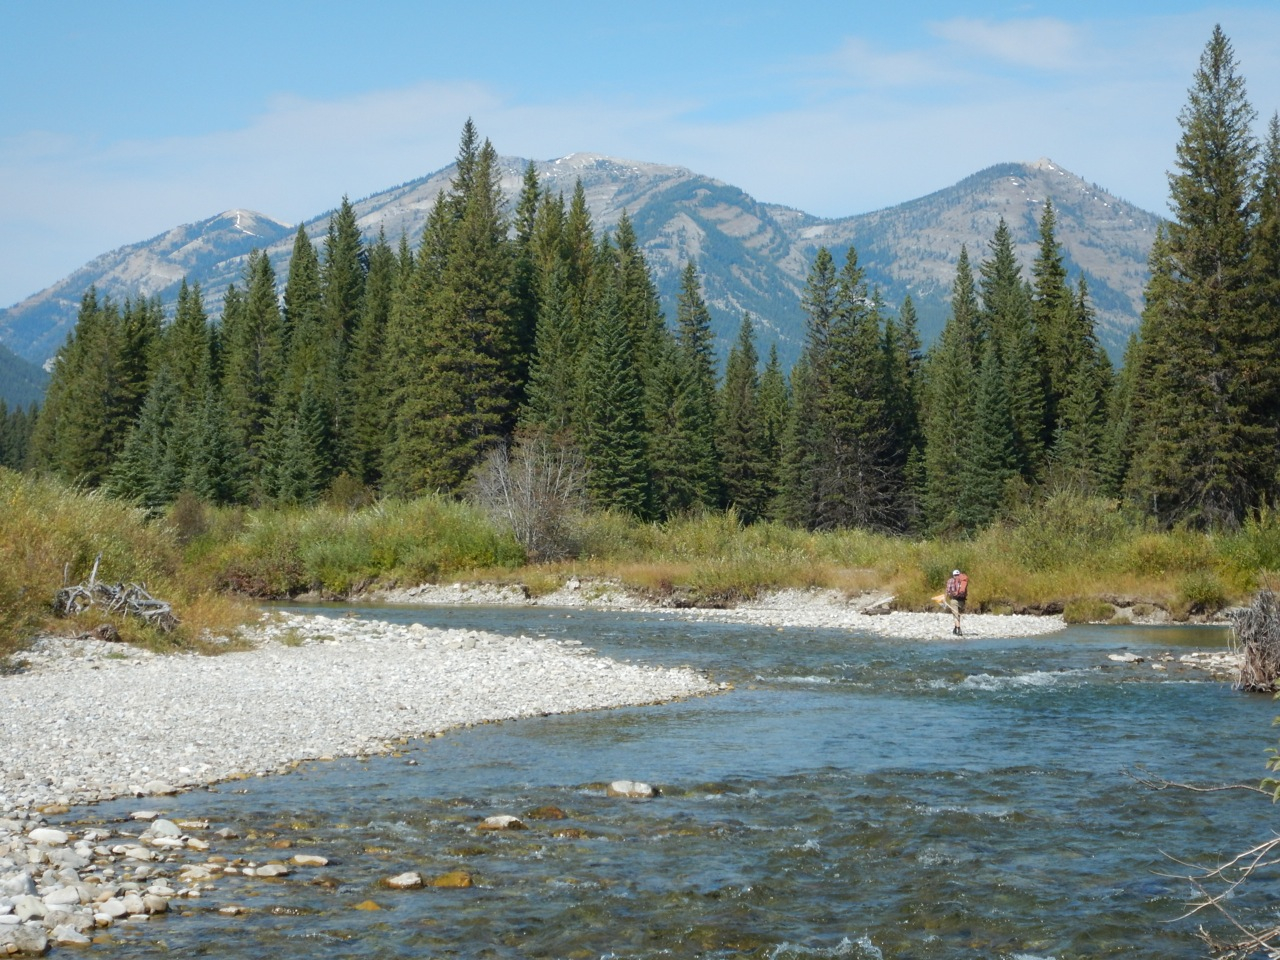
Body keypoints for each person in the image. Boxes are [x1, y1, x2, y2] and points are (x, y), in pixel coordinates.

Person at [945, 569, 968, 636]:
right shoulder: (963, 581)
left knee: (955, 615)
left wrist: (945, 598)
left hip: (954, 600)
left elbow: (947, 590)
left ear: (953, 575)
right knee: (958, 614)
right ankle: (955, 628)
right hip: (962, 600)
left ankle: (958, 629)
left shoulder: (950, 581)